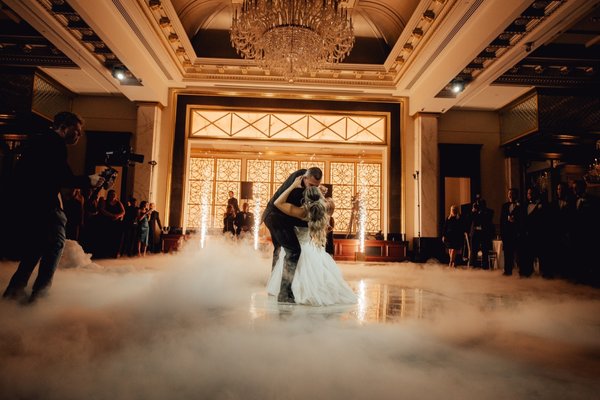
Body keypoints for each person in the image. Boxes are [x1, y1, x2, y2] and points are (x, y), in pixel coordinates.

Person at [2, 111, 105, 303]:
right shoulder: (55, 144)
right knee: (56, 244)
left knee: (35, 248)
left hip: (30, 204)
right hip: (43, 203)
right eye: (76, 131)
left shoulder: (42, 142)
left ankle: (14, 292)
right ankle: (40, 295)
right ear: (64, 128)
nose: (78, 136)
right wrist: (88, 180)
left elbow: (54, 174)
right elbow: (61, 177)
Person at [266, 176, 356, 306]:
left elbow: (277, 203)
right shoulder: (323, 210)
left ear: (304, 198)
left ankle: (289, 293)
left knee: (291, 264)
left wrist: (292, 186)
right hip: (311, 247)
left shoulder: (302, 212)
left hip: (298, 245)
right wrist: (320, 193)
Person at [262, 167, 323, 303]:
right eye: (312, 185)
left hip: (283, 217)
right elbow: (278, 203)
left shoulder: (306, 182)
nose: (313, 188)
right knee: (293, 251)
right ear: (305, 178)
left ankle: (275, 286)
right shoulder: (296, 184)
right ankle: (284, 293)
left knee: (280, 250)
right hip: (275, 216)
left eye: (316, 186)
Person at [500, 188, 522, 276]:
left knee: (519, 254)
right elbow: (501, 220)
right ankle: (507, 271)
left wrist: (515, 220)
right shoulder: (504, 206)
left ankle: (521, 271)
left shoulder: (520, 205)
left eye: (512, 194)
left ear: (516, 195)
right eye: (509, 194)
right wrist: (502, 234)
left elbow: (522, 219)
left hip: (516, 234)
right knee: (507, 254)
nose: (510, 195)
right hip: (507, 234)